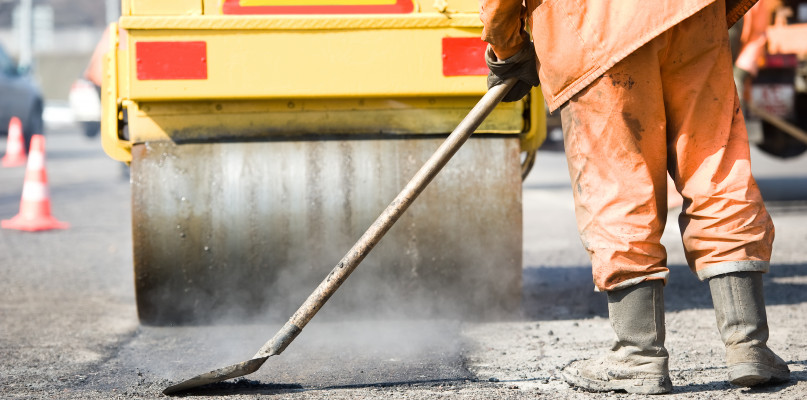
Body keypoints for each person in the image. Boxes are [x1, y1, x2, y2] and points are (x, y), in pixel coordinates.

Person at [480, 0, 791, 394]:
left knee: (617, 184)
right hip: (692, 14)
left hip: (593, 26)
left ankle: (639, 355)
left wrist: (507, 47)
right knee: (716, 167)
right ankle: (749, 346)